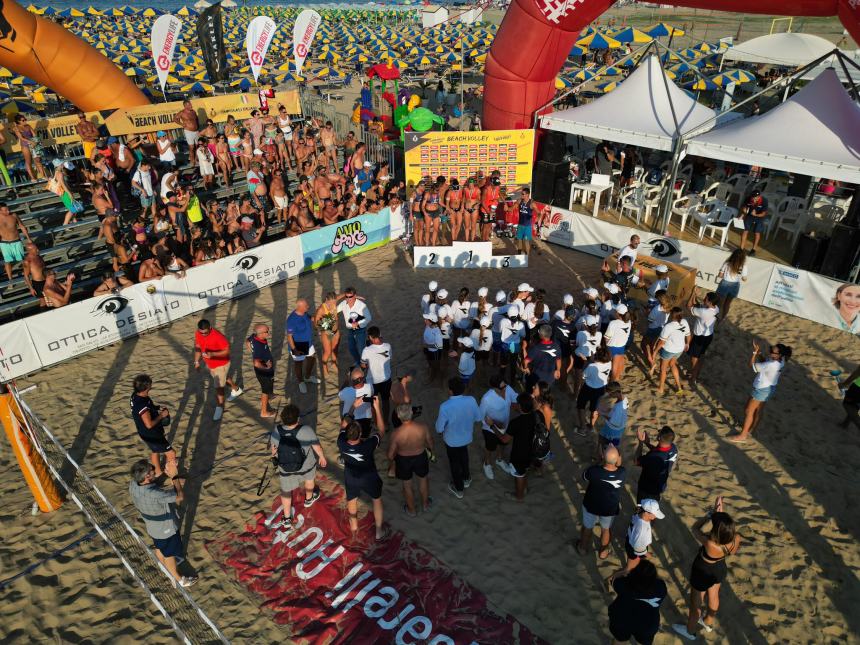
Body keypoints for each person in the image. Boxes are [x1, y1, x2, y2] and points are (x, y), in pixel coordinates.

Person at [673, 496, 742, 640]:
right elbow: (724, 531)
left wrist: (708, 516)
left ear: (716, 530)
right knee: (714, 595)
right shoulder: (735, 539)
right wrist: (718, 514)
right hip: (719, 568)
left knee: (695, 604)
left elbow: (695, 528)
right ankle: (708, 622)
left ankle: (690, 631)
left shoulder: (710, 543)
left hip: (703, 571)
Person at [129, 459, 197, 588]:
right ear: (147, 476)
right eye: (152, 469)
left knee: (160, 547)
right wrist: (174, 476)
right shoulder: (155, 494)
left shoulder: (134, 484)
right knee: (170, 554)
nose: (155, 469)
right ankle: (179, 579)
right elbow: (179, 496)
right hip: (166, 529)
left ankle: (163, 565)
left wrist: (166, 472)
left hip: (152, 526)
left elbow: (153, 483)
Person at [270, 404, 327, 530]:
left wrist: (274, 455)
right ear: (298, 419)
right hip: (306, 465)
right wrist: (322, 457)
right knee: (309, 480)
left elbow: (273, 451)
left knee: (286, 491)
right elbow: (316, 446)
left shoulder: (276, 430)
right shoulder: (306, 429)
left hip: (286, 467)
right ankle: (308, 499)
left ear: (283, 419)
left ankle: (287, 518)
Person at [731, 341, 791, 442]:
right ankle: (751, 430)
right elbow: (764, 362)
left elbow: (752, 366)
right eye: (771, 349)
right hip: (770, 388)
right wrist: (760, 353)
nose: (770, 352)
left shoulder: (771, 364)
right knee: (758, 410)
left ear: (779, 354)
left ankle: (743, 435)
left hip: (762, 389)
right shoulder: (781, 360)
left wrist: (754, 353)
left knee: (748, 411)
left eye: (773, 351)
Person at [338, 419, 386, 541]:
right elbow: (381, 430)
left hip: (351, 476)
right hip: (369, 477)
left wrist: (353, 407)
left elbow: (343, 425)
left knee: (352, 500)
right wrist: (376, 408)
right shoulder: (367, 445)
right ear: (360, 434)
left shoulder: (341, 441)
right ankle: (379, 531)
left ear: (347, 433)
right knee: (376, 500)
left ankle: (354, 526)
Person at [436, 377, 482, 499]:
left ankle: (459, 488)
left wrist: (441, 430)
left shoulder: (445, 406)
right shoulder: (471, 400)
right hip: (466, 437)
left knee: (454, 463)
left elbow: (439, 428)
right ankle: (466, 478)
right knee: (464, 456)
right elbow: (478, 418)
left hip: (451, 440)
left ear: (450, 391)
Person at [577, 444, 626, 560]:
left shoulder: (594, 471)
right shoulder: (622, 473)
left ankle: (583, 548)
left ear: (603, 456)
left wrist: (598, 461)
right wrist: (615, 455)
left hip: (591, 505)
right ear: (618, 458)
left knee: (588, 528)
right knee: (606, 529)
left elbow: (584, 476)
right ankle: (603, 552)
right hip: (609, 508)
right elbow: (618, 465)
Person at [387, 404, 434, 516]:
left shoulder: (396, 433)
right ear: (412, 413)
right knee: (423, 480)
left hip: (403, 460)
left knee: (407, 485)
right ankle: (425, 504)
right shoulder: (423, 427)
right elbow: (430, 442)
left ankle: (411, 510)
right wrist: (431, 452)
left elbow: (390, 454)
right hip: (420, 456)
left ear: (398, 416)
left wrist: (392, 462)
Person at [193, 319, 243, 422]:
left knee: (218, 387)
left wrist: (212, 354)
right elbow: (198, 346)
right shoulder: (198, 334)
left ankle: (220, 406)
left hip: (221, 364)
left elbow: (227, 351)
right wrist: (196, 361)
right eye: (201, 333)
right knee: (223, 378)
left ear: (210, 328)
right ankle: (236, 389)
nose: (203, 335)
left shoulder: (218, 336)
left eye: (205, 333)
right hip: (211, 365)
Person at [607, 559, 667, 645]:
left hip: (622, 619)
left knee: (619, 640)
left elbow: (614, 579)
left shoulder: (623, 584)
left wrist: (626, 571)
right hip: (647, 624)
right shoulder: (660, 587)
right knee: (644, 641)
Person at [130, 374, 176, 478]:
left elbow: (149, 406)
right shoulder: (141, 404)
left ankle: (158, 473)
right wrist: (161, 416)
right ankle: (174, 478)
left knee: (155, 450)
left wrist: (157, 408)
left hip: (144, 432)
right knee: (172, 454)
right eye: (150, 384)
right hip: (152, 434)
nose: (151, 385)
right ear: (146, 387)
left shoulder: (136, 395)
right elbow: (149, 424)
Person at [610, 499, 664, 583]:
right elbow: (637, 546)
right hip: (634, 549)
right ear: (646, 513)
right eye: (654, 514)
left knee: (633, 566)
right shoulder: (642, 528)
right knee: (628, 569)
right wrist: (646, 553)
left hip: (630, 541)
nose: (656, 516)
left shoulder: (639, 513)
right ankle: (611, 579)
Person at [479, 373, 518, 480]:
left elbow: (515, 399)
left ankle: (499, 459)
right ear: (494, 387)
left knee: (502, 443)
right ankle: (487, 463)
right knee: (490, 447)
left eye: (505, 386)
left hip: (505, 426)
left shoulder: (508, 388)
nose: (505, 389)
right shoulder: (486, 399)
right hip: (490, 429)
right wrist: (495, 423)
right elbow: (481, 416)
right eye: (502, 387)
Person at [504, 392, 539, 501]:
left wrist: (492, 426)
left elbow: (505, 440)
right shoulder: (534, 416)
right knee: (524, 470)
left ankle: (519, 496)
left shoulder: (515, 423)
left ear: (520, 406)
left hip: (519, 454)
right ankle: (524, 488)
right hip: (532, 452)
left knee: (519, 475)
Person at [651, 307, 691, 395]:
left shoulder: (668, 326)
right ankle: (679, 387)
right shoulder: (684, 322)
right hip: (680, 349)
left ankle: (661, 388)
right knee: (672, 364)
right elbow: (688, 335)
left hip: (668, 350)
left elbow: (661, 342)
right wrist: (687, 344)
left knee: (663, 369)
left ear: (672, 315)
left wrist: (655, 351)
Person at [285, 299, 320, 395]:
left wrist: (320, 319)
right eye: (306, 306)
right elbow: (289, 336)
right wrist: (294, 349)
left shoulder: (304, 313)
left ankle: (307, 377)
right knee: (298, 363)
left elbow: (310, 318)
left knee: (312, 358)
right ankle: (301, 382)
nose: (308, 306)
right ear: (299, 307)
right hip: (299, 345)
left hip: (309, 343)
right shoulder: (291, 320)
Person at [635, 425, 678, 502]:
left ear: (659, 438)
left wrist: (641, 442)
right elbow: (659, 451)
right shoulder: (673, 448)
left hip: (646, 488)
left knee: (641, 508)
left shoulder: (653, 456)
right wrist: (647, 443)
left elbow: (636, 461)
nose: (658, 433)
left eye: (659, 432)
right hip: (660, 486)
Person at [339, 367, 385, 437]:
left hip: (350, 418)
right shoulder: (371, 387)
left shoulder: (345, 391)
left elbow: (340, 395)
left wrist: (347, 380)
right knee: (364, 436)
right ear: (363, 378)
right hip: (365, 419)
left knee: (349, 437)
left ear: (352, 380)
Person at [361, 326, 392, 421]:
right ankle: (386, 422)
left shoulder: (366, 350)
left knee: (373, 403)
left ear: (370, 337)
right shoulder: (388, 346)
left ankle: (376, 422)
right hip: (386, 379)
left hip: (372, 381)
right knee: (385, 401)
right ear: (379, 334)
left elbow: (363, 365)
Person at [688, 292, 720, 385]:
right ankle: (696, 374)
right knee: (701, 356)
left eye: (706, 298)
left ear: (710, 302)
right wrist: (695, 296)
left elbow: (688, 305)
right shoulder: (716, 308)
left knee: (694, 359)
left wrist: (692, 293)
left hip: (699, 337)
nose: (704, 299)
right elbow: (698, 305)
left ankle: (693, 379)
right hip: (708, 336)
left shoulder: (703, 312)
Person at [247, 323, 276, 418]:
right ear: (261, 334)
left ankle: (270, 396)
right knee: (265, 390)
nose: (269, 333)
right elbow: (256, 362)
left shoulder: (254, 337)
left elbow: (247, 341)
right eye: (267, 332)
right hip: (263, 371)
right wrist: (266, 367)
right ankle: (264, 412)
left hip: (265, 369)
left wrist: (251, 351)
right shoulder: (259, 346)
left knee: (270, 383)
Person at [337, 287, 372, 366]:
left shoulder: (362, 305)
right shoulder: (343, 303)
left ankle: (364, 364)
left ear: (355, 296)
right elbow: (334, 310)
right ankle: (358, 361)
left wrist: (359, 324)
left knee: (360, 349)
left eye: (350, 297)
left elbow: (369, 318)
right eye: (346, 297)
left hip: (360, 330)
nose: (348, 299)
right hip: (350, 330)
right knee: (352, 349)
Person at [522, 323, 562, 389]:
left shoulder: (536, 348)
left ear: (541, 335)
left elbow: (525, 361)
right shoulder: (557, 346)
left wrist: (526, 368)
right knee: (545, 394)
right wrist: (558, 370)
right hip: (550, 378)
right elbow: (558, 360)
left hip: (537, 378)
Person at [0, 203, 31, 282]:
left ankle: (26, 277)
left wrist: (28, 238)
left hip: (16, 241)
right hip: (4, 243)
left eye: (8, 209)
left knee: (22, 260)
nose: (8, 211)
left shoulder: (14, 215)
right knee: (7, 262)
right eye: (6, 210)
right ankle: (11, 280)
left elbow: (22, 226)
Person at [715, 249, 748, 321]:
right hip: (735, 286)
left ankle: (716, 317)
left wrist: (723, 274)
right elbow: (744, 279)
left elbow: (720, 275)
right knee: (727, 304)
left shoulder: (727, 263)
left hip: (725, 283)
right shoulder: (743, 266)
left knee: (720, 303)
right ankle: (722, 319)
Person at [604, 304, 632, 382]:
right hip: (622, 346)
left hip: (612, 347)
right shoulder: (629, 321)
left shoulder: (613, 323)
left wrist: (604, 347)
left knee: (613, 367)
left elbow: (606, 338)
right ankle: (617, 378)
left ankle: (612, 382)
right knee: (619, 362)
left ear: (618, 313)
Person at [739, 190, 768, 256]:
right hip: (750, 216)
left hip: (759, 217)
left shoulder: (764, 201)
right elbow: (745, 207)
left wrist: (756, 215)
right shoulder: (748, 198)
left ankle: (753, 249)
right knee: (745, 230)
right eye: (753, 198)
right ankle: (741, 248)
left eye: (756, 198)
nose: (754, 199)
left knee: (756, 232)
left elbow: (763, 214)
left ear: (759, 196)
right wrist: (743, 213)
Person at [173, 99, 199, 165]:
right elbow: (174, 119)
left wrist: (198, 128)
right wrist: (181, 124)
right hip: (188, 131)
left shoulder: (193, 112)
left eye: (190, 104)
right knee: (191, 147)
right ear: (185, 106)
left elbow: (196, 120)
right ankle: (192, 160)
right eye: (189, 104)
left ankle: (196, 159)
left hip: (196, 131)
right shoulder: (182, 112)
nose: (191, 105)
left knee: (197, 146)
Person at [838, 365, 860, 430]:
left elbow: (857, 372)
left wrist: (845, 384)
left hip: (858, 388)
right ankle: (845, 424)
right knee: (854, 405)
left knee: (848, 405)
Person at [515, 187, 535, 255]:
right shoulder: (519, 201)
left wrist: (537, 221)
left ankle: (527, 256)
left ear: (527, 194)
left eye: (523, 194)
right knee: (519, 240)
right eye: (521, 194)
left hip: (527, 226)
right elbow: (511, 209)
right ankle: (519, 254)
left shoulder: (532, 203)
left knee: (526, 241)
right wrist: (507, 209)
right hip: (520, 224)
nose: (522, 195)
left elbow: (539, 213)